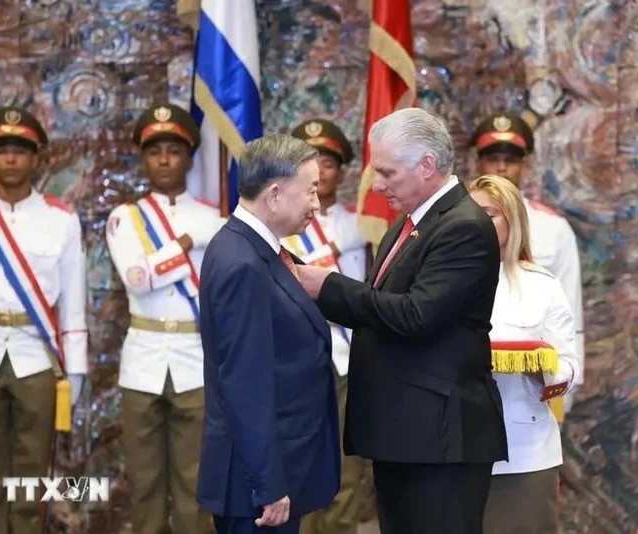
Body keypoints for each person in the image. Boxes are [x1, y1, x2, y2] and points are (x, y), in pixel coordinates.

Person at [297, 107, 507, 534]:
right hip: (405, 432)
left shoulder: (463, 226)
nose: (376, 185)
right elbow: (381, 309)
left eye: (388, 173)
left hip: (441, 438)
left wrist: (330, 287)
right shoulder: (409, 223)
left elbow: (416, 315)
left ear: (427, 166)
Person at [0, 107, 87, 533]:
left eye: (20, 151)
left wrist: (76, 369)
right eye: (1, 150)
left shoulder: (61, 220)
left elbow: (73, 301)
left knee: (31, 473)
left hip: (36, 357)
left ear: (36, 158)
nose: (10, 160)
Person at [197, 134, 341, 534]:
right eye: (310, 191)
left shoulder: (256, 249)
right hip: (257, 487)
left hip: (273, 470)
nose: (316, 203)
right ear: (275, 194)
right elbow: (245, 382)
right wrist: (269, 485)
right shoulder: (242, 262)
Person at [105, 104, 225, 534]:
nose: (164, 160)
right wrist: (190, 242)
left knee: (196, 482)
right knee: (145, 483)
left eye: (174, 150)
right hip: (143, 363)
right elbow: (137, 279)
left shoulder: (216, 218)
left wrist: (189, 242)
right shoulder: (125, 217)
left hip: (196, 359)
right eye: (154, 151)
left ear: (189, 158)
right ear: (143, 158)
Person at [468, 174, 580, 532]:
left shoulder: (541, 285)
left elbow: (570, 367)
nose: (478, 222)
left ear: (512, 220)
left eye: (491, 214)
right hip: (452, 450)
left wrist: (540, 368)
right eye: (472, 213)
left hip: (524, 451)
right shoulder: (438, 280)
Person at [284, 118, 369, 534]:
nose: (318, 169)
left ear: (343, 170)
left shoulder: (364, 224)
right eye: (308, 160)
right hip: (296, 359)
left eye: (328, 162)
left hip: (349, 360)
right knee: (297, 463)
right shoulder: (275, 225)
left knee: (346, 470)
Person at [472, 110, 585, 416]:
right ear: (477, 162)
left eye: (511, 158)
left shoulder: (553, 227)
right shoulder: (456, 225)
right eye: (492, 157)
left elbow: (570, 311)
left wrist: (567, 382)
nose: (501, 167)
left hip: (535, 382)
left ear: (527, 164)